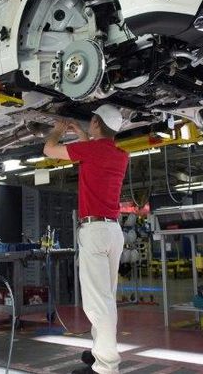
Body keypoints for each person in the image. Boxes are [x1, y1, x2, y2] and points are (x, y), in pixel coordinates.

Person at [43, 105, 129, 374]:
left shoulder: (91, 150)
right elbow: (92, 154)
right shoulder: (120, 155)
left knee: (97, 302)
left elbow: (48, 150)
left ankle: (106, 367)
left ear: (95, 122)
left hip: (95, 233)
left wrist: (56, 131)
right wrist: (81, 133)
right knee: (106, 298)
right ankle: (99, 353)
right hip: (113, 231)